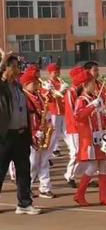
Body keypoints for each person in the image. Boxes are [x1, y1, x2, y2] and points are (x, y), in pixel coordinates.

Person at [0, 51, 41, 215]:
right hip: (5, 137)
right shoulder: (2, 87)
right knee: (0, 172)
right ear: (6, 69)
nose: (18, 70)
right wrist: (3, 61)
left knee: (24, 171)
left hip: (21, 135)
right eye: (15, 67)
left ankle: (24, 203)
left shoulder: (18, 86)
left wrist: (30, 135)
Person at [73, 69, 106, 207]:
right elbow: (78, 116)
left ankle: (103, 196)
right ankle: (79, 194)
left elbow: (101, 118)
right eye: (92, 83)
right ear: (85, 85)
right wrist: (91, 106)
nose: (95, 86)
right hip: (89, 139)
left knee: (103, 167)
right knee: (92, 167)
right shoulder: (81, 100)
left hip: (100, 137)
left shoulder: (94, 99)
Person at [21, 66, 55, 199]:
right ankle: (26, 188)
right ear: (26, 84)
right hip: (31, 134)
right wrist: (34, 132)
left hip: (43, 132)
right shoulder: (23, 97)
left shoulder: (39, 95)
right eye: (33, 83)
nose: (36, 85)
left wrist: (48, 124)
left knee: (44, 161)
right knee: (32, 163)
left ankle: (45, 188)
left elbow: (46, 109)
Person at [63, 67, 83, 188]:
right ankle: (69, 175)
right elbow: (72, 111)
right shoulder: (71, 92)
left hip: (81, 126)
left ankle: (85, 175)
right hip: (74, 127)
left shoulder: (79, 91)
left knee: (84, 153)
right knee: (75, 153)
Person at [46, 63, 68, 158]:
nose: (57, 74)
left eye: (58, 71)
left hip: (63, 109)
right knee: (55, 132)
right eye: (55, 72)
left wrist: (65, 88)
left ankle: (71, 147)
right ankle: (54, 149)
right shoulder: (48, 83)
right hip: (54, 110)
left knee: (65, 130)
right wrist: (61, 90)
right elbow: (53, 95)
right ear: (50, 73)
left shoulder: (60, 82)